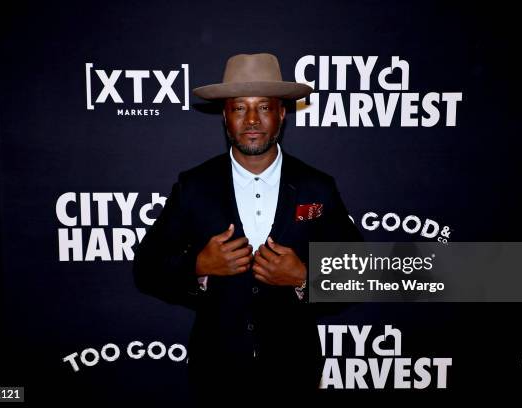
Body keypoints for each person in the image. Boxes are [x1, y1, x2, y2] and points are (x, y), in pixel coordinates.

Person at [133, 53, 361, 405]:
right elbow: (146, 269)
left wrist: (304, 278)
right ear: (225, 117)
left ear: (282, 113)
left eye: (264, 108)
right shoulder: (194, 186)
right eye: (239, 108)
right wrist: (198, 266)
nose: (252, 120)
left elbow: (356, 278)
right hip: (216, 374)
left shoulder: (318, 187)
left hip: (294, 374)